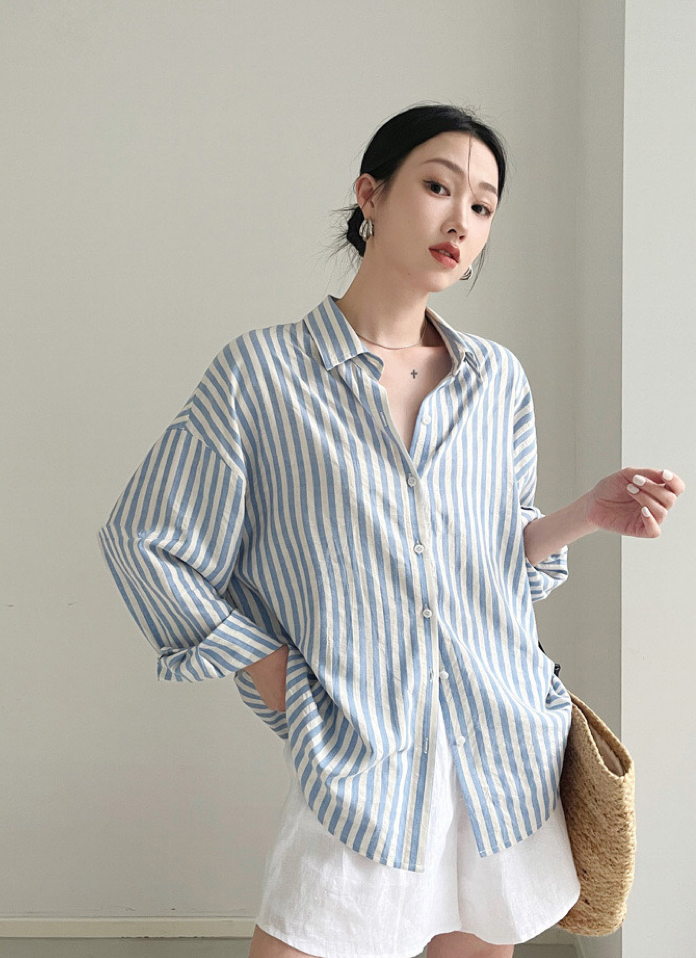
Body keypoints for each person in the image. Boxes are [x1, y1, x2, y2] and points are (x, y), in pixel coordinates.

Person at [97, 103, 684, 958]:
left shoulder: (496, 381)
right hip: (363, 756)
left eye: (483, 206)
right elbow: (145, 540)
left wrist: (585, 516)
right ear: (369, 195)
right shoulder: (262, 375)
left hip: (499, 751)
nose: (461, 221)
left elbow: (491, 562)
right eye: (438, 187)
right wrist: (278, 676)